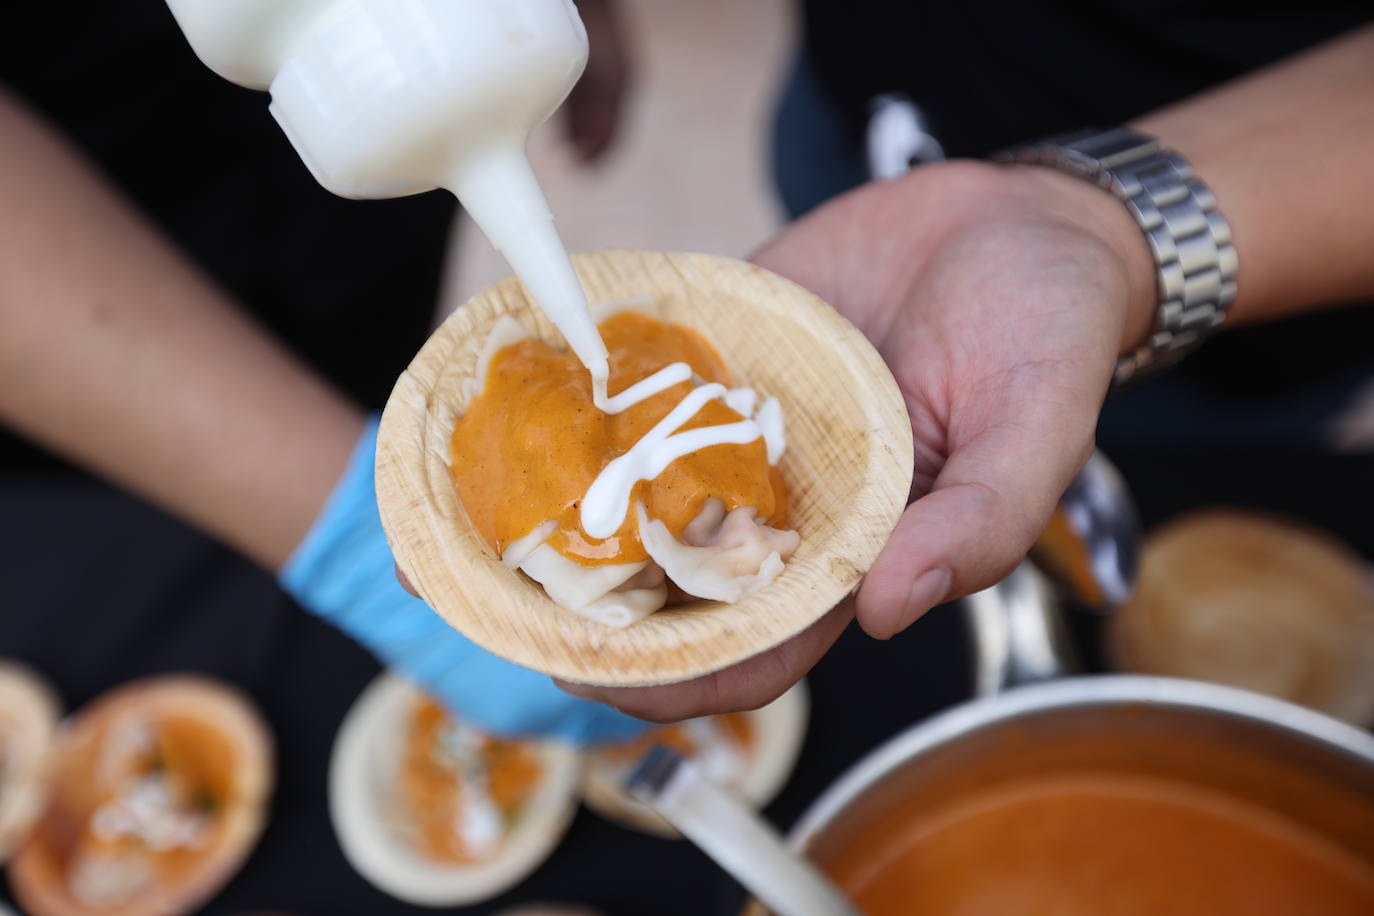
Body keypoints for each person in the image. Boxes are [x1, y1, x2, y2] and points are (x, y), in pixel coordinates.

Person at [3, 2, 1373, 744]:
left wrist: (1123, 228)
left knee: (1205, 454)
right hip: (870, 84)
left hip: (1283, 223)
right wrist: (329, 517)